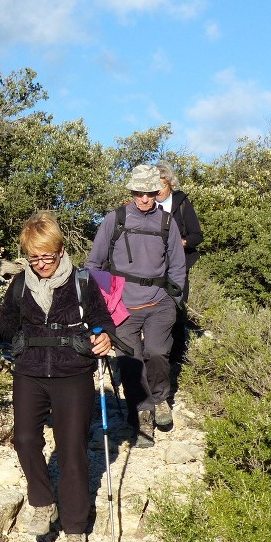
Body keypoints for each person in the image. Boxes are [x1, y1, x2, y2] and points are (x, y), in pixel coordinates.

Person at [0, 211, 115, 542]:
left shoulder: (82, 282)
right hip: (29, 371)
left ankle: (76, 528)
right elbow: (4, 330)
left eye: (47, 256)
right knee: (25, 439)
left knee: (72, 450)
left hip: (73, 373)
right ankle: (44, 503)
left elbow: (102, 320)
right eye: (34, 257)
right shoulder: (19, 285)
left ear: (61, 251)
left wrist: (105, 336)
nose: (42, 263)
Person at [85, 164, 186, 448]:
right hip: (123, 307)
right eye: (139, 193)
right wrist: (105, 303)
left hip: (160, 303)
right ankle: (142, 414)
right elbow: (93, 266)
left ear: (157, 192)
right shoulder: (114, 220)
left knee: (156, 354)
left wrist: (174, 300)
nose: (144, 199)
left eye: (150, 193)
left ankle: (160, 399)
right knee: (130, 362)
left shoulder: (167, 223)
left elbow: (178, 266)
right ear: (131, 192)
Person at [154, 160, 203, 364]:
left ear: (170, 184)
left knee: (177, 308)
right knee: (155, 310)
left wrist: (179, 242)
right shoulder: (146, 205)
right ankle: (158, 356)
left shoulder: (182, 203)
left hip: (178, 265)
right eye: (154, 186)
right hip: (152, 267)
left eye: (162, 185)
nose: (158, 191)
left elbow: (197, 236)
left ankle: (177, 360)